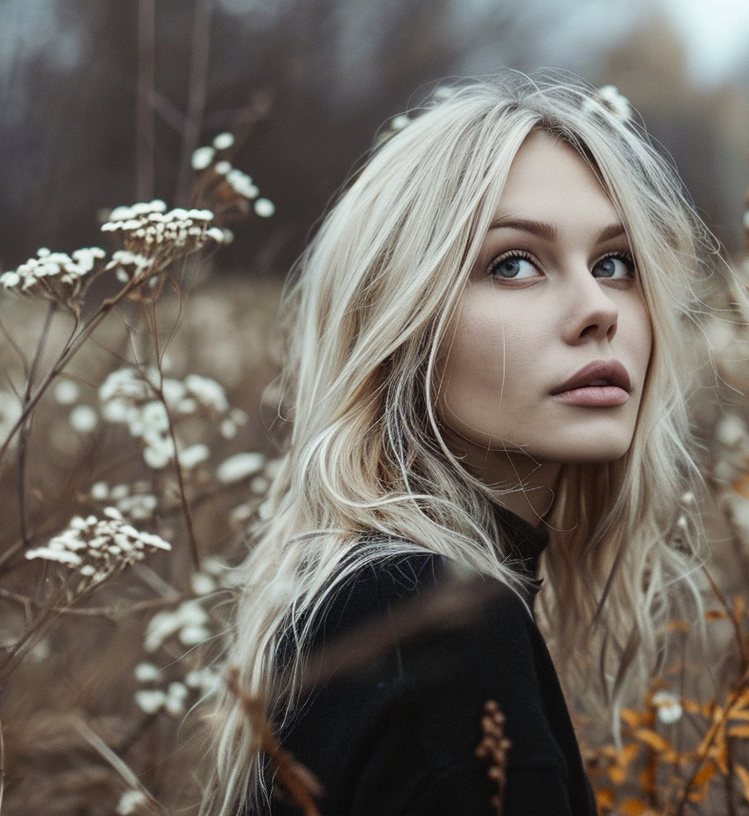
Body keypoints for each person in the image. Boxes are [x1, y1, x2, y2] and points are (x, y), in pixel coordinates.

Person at [202, 71, 710, 816]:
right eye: (514, 263)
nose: (598, 308)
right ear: (400, 324)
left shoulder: (365, 602)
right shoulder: (436, 630)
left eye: (614, 263)